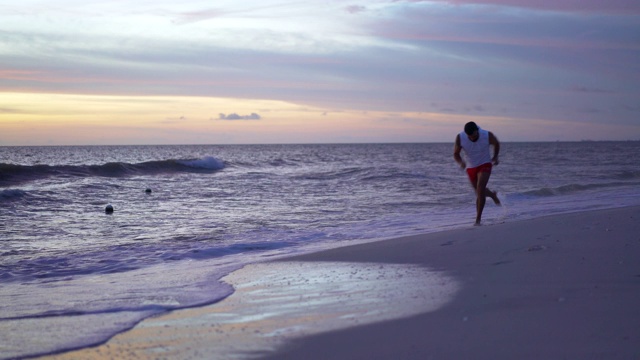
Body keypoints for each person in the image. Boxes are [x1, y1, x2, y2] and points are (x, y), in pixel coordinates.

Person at [453, 121, 501, 225]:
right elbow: (456, 154)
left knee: (480, 189)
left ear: (477, 131)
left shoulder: (486, 135)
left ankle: (478, 220)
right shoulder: (460, 137)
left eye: (474, 135)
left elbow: (496, 143)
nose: (472, 138)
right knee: (479, 191)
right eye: (470, 136)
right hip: (471, 167)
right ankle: (492, 195)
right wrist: (461, 162)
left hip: (485, 163)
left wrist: (495, 156)